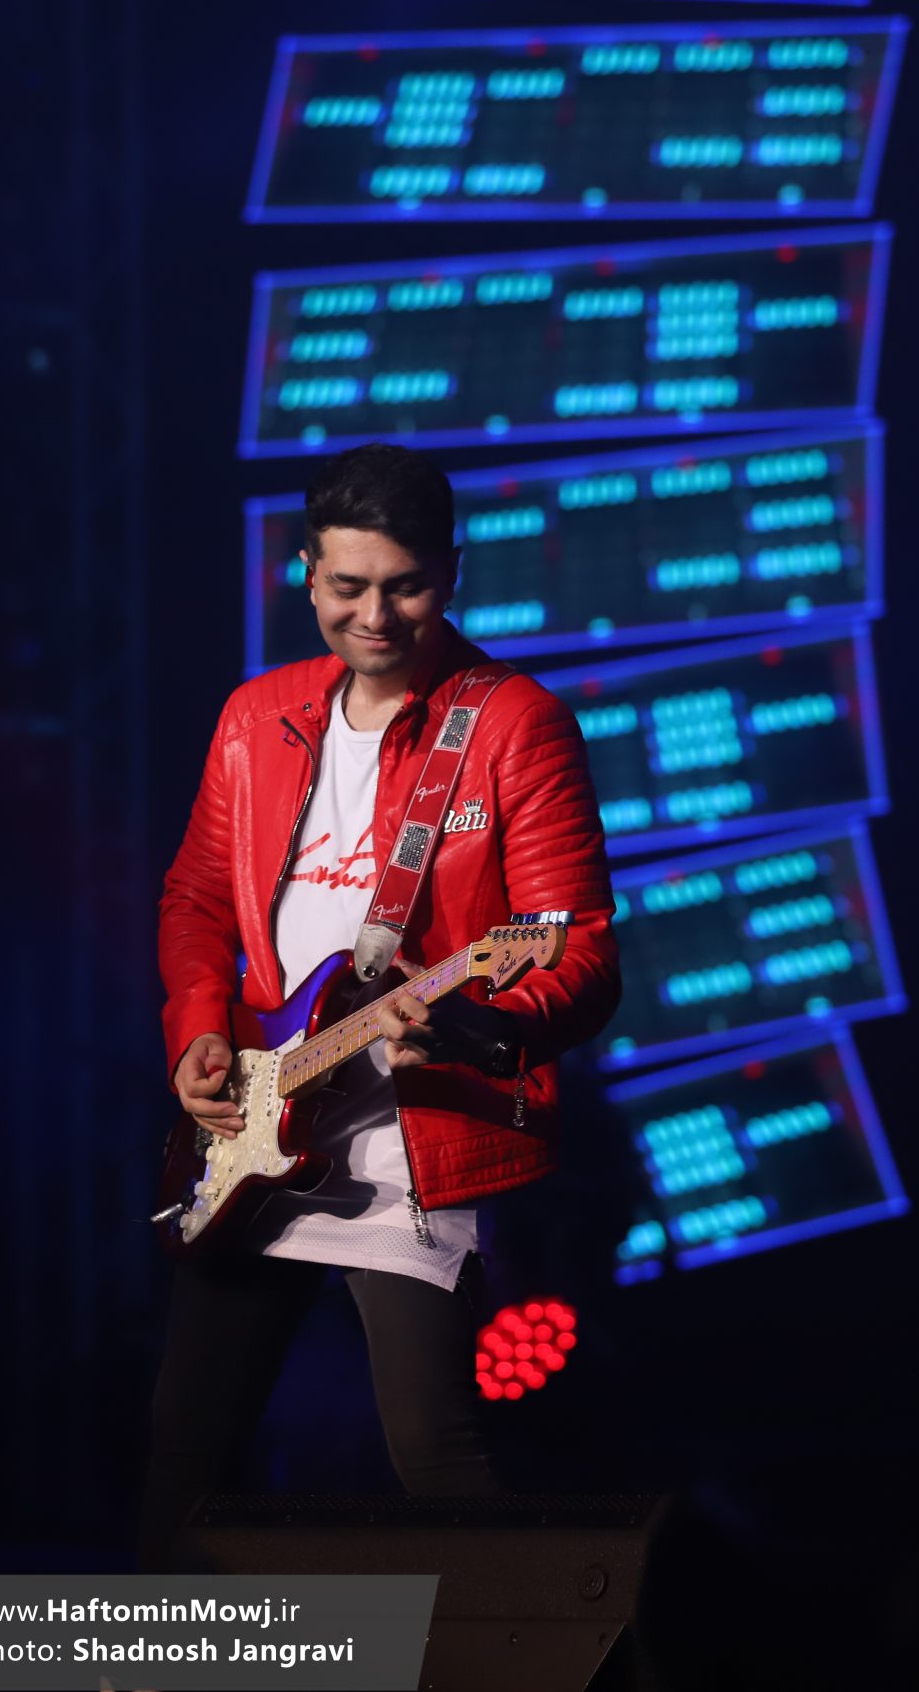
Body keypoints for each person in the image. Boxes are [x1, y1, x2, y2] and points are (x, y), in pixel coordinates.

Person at [140, 442, 623, 1569]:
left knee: (436, 1459)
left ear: (451, 573)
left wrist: (470, 1024)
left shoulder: (514, 723)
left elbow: (584, 956)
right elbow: (195, 897)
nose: (375, 617)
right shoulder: (256, 717)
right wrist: (199, 1031)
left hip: (417, 1142)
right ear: (306, 574)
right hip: (258, 1125)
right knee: (182, 1462)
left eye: (405, 587)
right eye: (348, 586)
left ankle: (538, 1643)